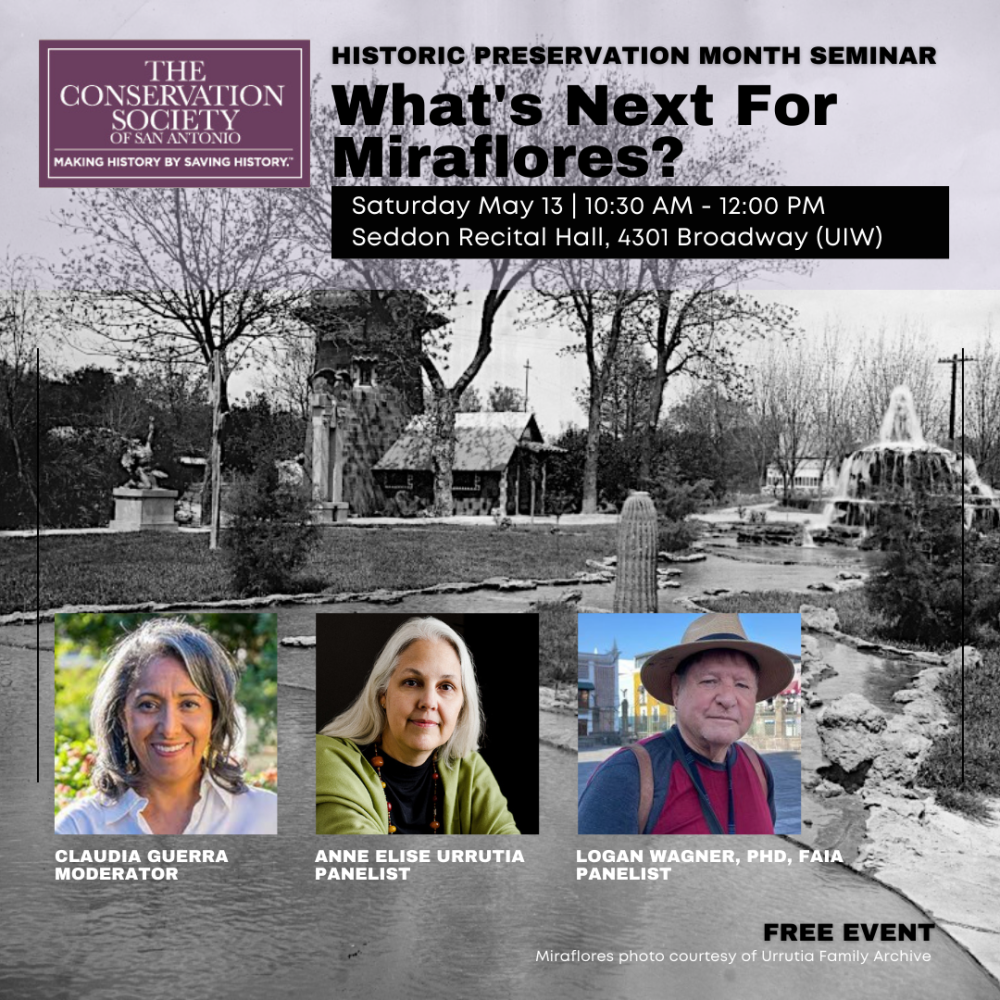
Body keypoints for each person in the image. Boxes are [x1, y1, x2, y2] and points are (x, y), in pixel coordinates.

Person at [578, 613, 794, 835]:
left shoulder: (758, 769)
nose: (728, 699)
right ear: (676, 690)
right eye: (709, 681)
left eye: (742, 685)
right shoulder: (625, 777)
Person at [55, 618, 277, 835]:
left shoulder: (268, 817)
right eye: (148, 705)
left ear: (215, 715)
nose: (170, 729)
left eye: (189, 704)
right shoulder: (78, 829)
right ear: (122, 716)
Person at [316, 616, 519, 834]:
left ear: (462, 704)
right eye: (412, 682)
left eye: (446, 686)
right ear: (383, 694)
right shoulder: (326, 760)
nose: (429, 702)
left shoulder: (468, 769)